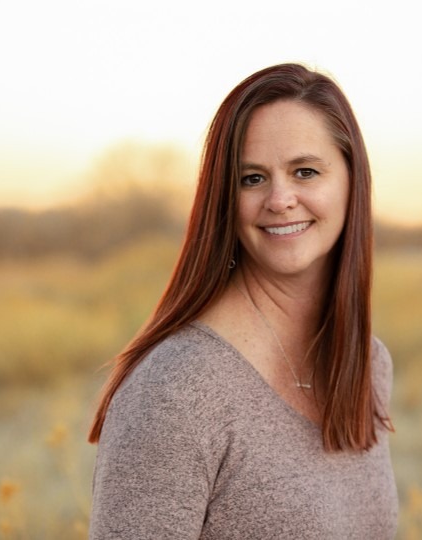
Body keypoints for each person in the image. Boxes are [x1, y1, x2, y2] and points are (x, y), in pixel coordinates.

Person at [88, 63, 398, 539]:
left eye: (306, 171)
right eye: (252, 179)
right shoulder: (176, 391)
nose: (280, 199)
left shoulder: (366, 362)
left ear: (352, 181)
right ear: (223, 200)